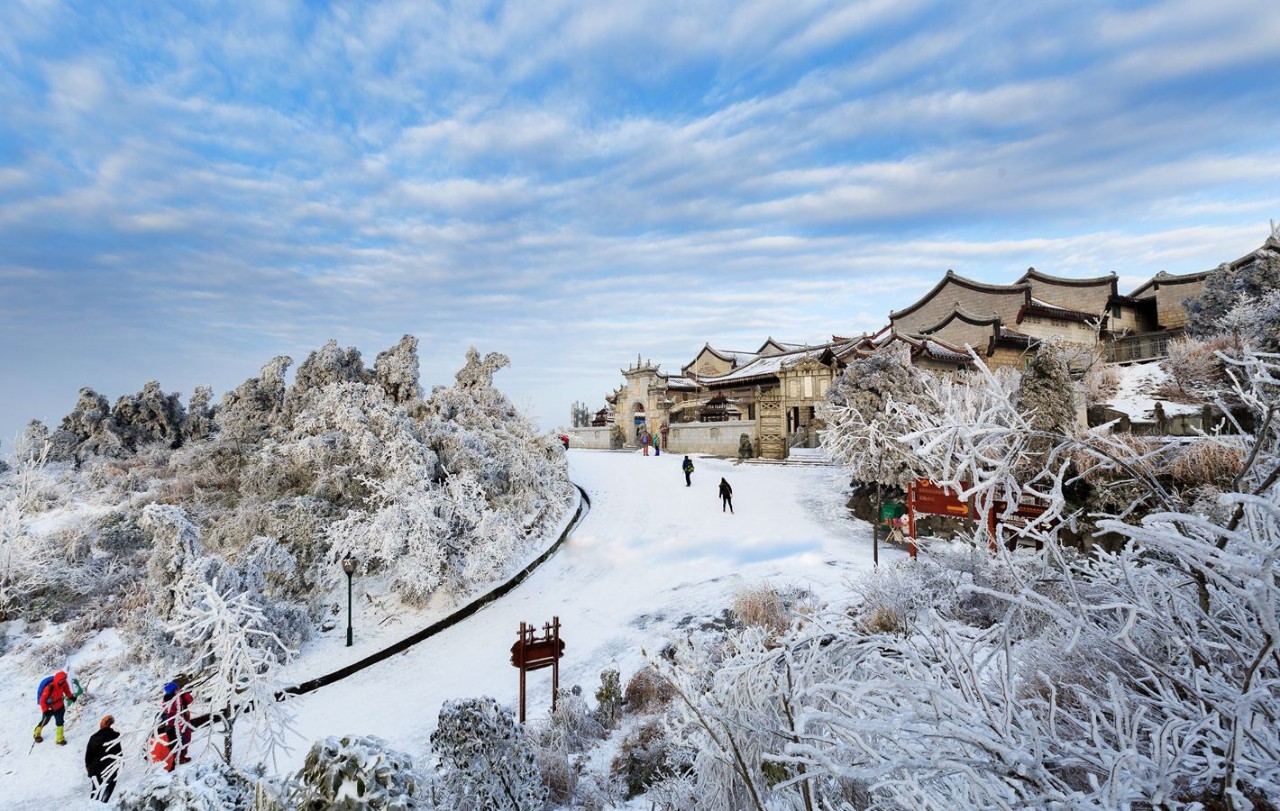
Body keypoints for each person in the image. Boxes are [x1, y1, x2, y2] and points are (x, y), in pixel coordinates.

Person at [34, 670, 79, 745]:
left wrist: (71, 697)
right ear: (58, 679)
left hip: (60, 706)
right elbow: (42, 700)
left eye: (64, 679)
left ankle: (60, 739)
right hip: (49, 708)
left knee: (60, 722)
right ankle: (36, 733)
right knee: (45, 721)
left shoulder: (64, 684)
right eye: (62, 679)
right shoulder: (50, 687)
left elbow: (67, 691)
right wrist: (45, 710)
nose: (63, 681)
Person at [158, 679, 194, 770]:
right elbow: (190, 700)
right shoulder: (176, 698)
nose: (179, 689)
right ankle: (180, 758)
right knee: (184, 739)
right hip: (180, 722)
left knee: (178, 740)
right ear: (175, 690)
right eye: (177, 688)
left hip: (174, 723)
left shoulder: (167, 698)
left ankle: (178, 758)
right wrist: (183, 694)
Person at [85, 714, 122, 802]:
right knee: (111, 784)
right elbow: (118, 752)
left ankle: (93, 805)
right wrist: (120, 763)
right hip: (110, 767)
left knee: (95, 788)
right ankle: (104, 802)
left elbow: (88, 754)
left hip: (95, 767)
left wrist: (88, 766)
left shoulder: (93, 737)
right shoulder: (115, 736)